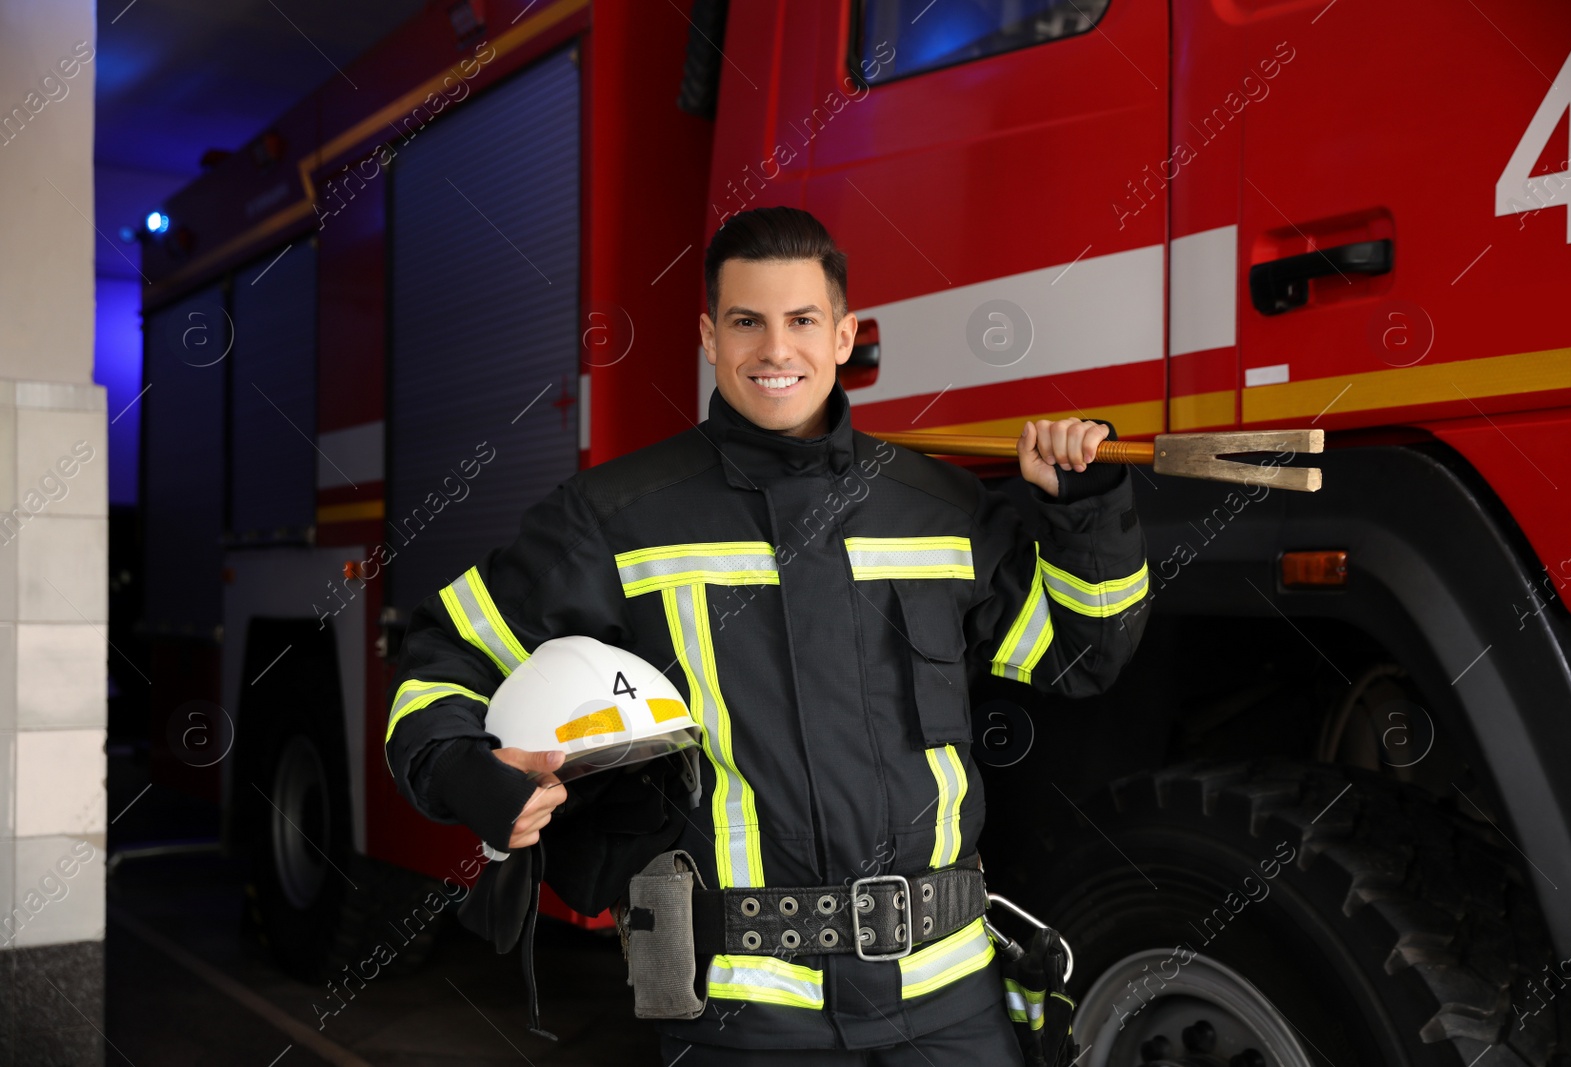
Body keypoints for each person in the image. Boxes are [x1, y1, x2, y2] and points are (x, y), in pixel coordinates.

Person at [385, 206, 1150, 1065]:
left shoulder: (939, 507)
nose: (776, 350)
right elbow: (447, 654)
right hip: (744, 1016)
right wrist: (462, 772)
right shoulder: (617, 517)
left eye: (802, 321)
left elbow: (1082, 654)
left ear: (845, 334)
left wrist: (1085, 511)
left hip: (950, 1003)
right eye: (748, 322)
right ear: (711, 337)